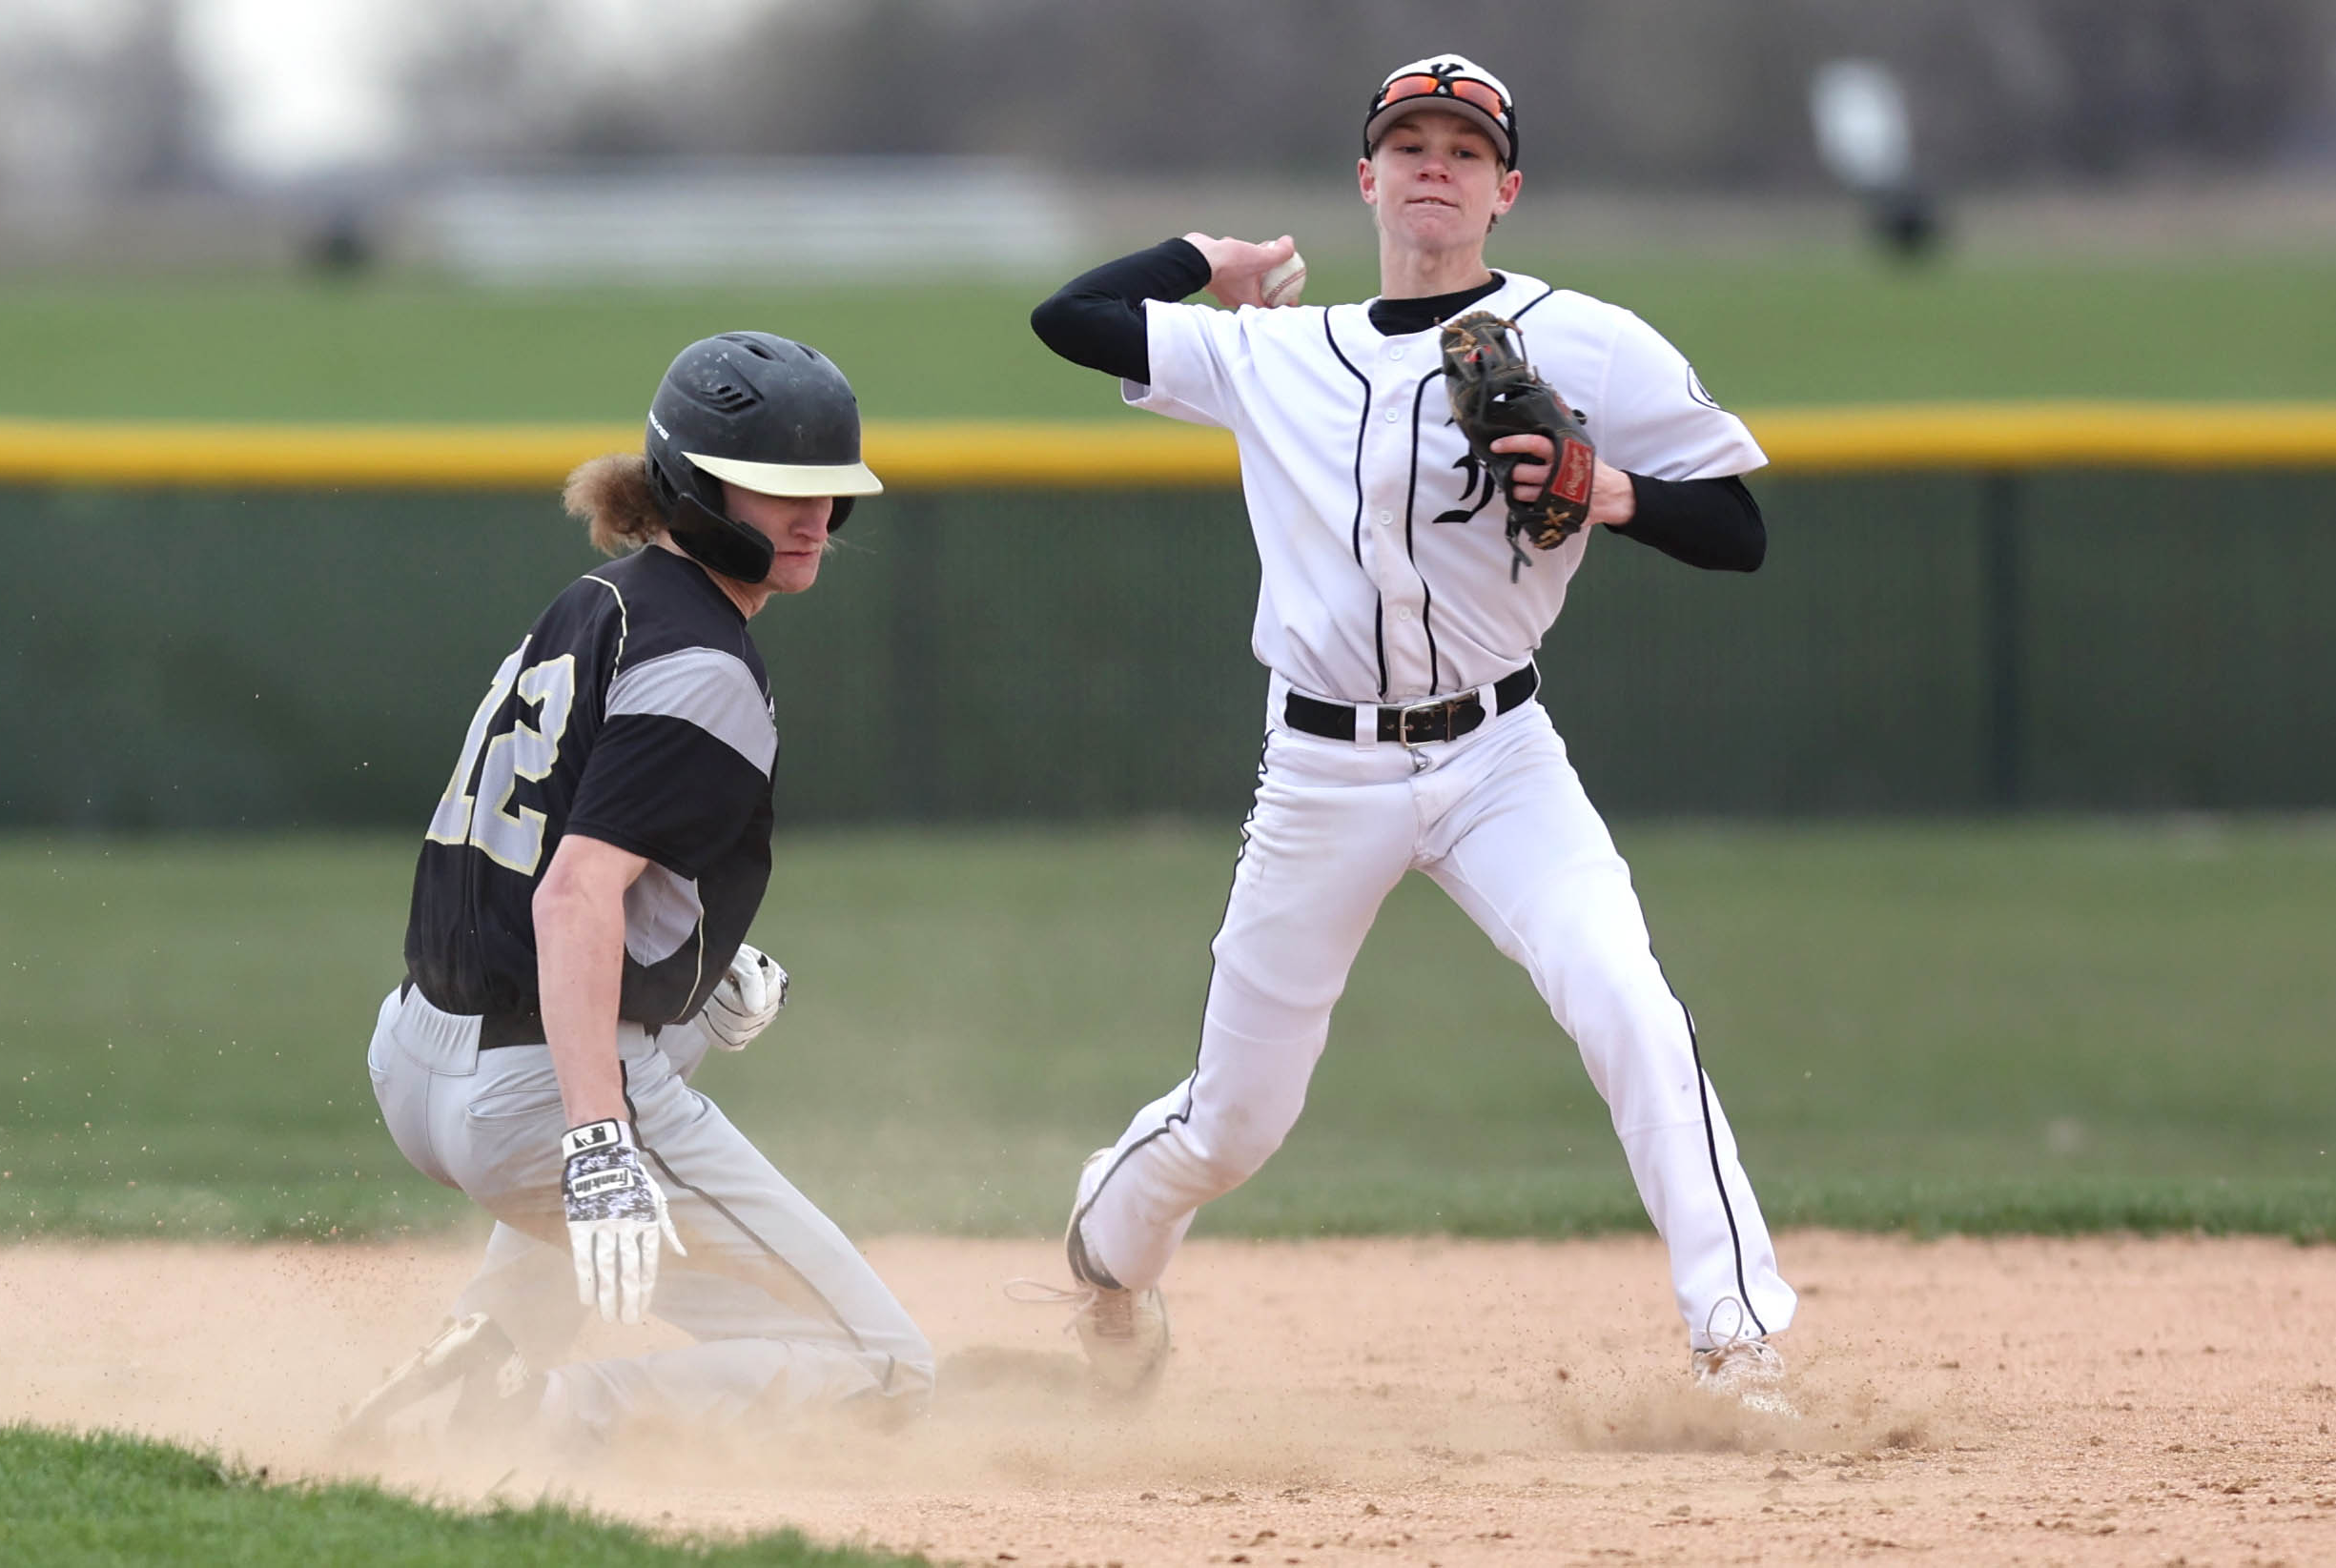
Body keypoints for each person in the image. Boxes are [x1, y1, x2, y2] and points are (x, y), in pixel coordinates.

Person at [1027, 53, 1795, 1408]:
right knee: (1233, 1123)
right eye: (1407, 142)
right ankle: (1107, 1246)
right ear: (1365, 176)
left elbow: (1737, 530)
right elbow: (1068, 317)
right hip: (1323, 770)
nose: (1432, 162)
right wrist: (1205, 258)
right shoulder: (1269, 353)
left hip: (1500, 757)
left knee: (1628, 1001)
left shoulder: (1594, 341)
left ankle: (1737, 1342)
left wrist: (1611, 489)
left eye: (1461, 146)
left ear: (1505, 189)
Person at [341, 333, 933, 1451]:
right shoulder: (703, 663)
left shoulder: (595, 604)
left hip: (416, 1051)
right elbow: (572, 897)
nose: (814, 519)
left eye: (830, 494)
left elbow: (536, 842)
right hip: (532, 1096)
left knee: (676, 1048)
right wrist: (598, 1139)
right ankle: (542, 1413)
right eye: (782, 491)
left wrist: (692, 966)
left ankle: (496, 1342)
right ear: (698, 488)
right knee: (886, 1369)